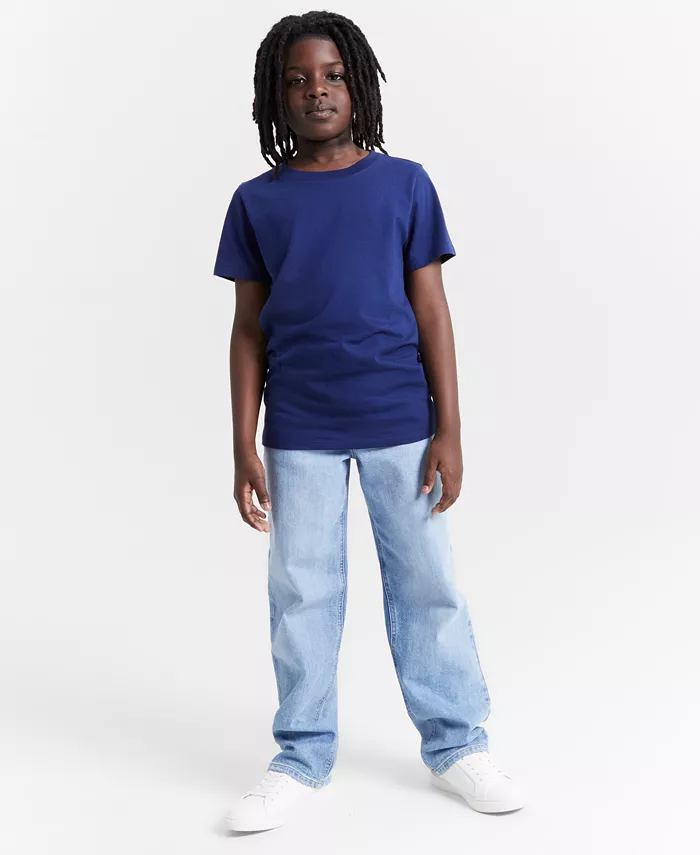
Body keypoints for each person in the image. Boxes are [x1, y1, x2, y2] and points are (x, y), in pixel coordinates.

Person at [213, 10, 525, 833]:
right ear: (274, 97)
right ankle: (301, 754)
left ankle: (457, 742)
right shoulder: (257, 203)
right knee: (302, 591)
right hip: (299, 427)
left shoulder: (405, 185)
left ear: (359, 86)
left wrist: (450, 430)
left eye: (332, 75)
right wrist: (242, 442)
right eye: (297, 80)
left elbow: (433, 311)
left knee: (427, 582)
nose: (315, 90)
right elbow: (247, 330)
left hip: (400, 421)